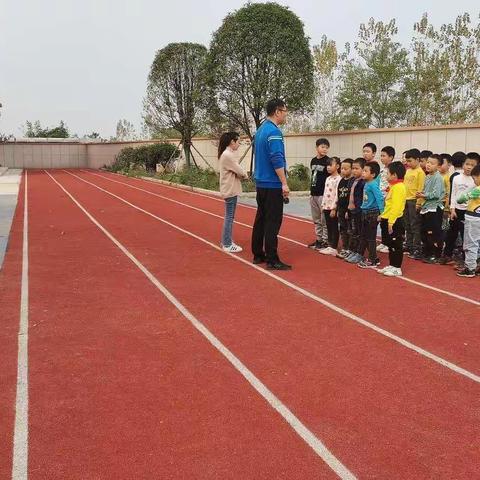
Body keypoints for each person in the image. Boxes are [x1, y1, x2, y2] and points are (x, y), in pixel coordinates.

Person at [251, 98, 291, 270]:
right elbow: (276, 158)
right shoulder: (274, 132)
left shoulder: (260, 130)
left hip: (261, 183)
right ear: (277, 111)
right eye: (285, 111)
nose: (286, 114)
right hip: (272, 183)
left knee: (261, 218)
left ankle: (257, 254)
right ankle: (272, 258)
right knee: (272, 221)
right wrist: (284, 183)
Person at [439, 153, 476, 265]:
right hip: (456, 210)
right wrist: (452, 208)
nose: (469, 167)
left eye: (472, 165)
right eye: (467, 164)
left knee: (466, 236)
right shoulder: (456, 178)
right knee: (451, 233)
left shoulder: (475, 180)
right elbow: (453, 194)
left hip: (469, 211)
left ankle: (466, 259)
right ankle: (447, 255)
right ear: (463, 164)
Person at [218, 131, 248, 253]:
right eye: (238, 142)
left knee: (229, 216)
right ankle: (227, 243)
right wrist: (245, 175)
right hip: (230, 189)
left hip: (229, 188)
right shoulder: (228, 155)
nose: (239, 144)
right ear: (232, 142)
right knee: (229, 217)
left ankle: (226, 241)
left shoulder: (226, 154)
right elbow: (240, 171)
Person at [378, 162, 407, 277]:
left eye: (388, 174)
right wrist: (383, 215)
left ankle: (396, 267)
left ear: (394, 175)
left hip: (395, 220)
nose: (386, 176)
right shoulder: (393, 186)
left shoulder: (399, 187)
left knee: (396, 244)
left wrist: (391, 221)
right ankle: (392, 264)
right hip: (388, 218)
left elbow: (396, 206)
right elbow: (388, 205)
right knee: (391, 245)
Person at [354, 161, 385, 268]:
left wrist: (382, 213)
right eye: (363, 171)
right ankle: (360, 254)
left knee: (371, 238)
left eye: (366, 171)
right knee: (364, 235)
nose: (363, 173)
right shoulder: (367, 183)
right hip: (365, 212)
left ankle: (373, 259)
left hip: (372, 213)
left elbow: (380, 198)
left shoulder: (373, 185)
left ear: (373, 175)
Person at [416, 154, 445, 263]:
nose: (428, 165)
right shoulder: (427, 176)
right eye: (428, 162)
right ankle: (427, 252)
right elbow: (427, 192)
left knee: (433, 232)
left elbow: (436, 194)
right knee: (424, 231)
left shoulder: (438, 178)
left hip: (434, 208)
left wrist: (423, 195)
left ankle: (435, 254)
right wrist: (421, 193)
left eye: (432, 163)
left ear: (438, 167)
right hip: (426, 207)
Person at [456, 164, 480, 277]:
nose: (473, 181)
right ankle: (477, 265)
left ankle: (470, 268)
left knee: (471, 243)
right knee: (478, 243)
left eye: (474, 178)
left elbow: (460, 199)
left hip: (473, 218)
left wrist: (469, 191)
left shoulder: (477, 190)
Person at [307, 138, 330, 250]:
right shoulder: (313, 161)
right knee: (316, 219)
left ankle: (326, 240)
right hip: (313, 193)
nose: (324, 149)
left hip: (323, 194)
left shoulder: (328, 161)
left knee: (323, 219)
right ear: (316, 147)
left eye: (326, 147)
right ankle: (319, 239)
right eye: (322, 147)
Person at [403, 148, 425, 259]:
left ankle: (417, 248)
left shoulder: (420, 172)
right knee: (407, 224)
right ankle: (409, 244)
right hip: (405, 200)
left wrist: (419, 203)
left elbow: (421, 188)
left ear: (417, 159)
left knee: (414, 225)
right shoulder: (408, 170)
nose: (408, 163)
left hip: (414, 201)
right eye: (407, 161)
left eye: (410, 160)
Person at [344, 158, 366, 263]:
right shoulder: (352, 180)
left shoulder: (363, 182)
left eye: (357, 168)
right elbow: (350, 196)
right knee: (353, 231)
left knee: (360, 232)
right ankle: (353, 250)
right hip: (351, 210)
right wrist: (348, 210)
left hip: (360, 210)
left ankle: (359, 253)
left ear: (363, 169)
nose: (354, 171)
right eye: (353, 168)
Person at [319, 157, 342, 256]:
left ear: (337, 166)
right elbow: (325, 192)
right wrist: (323, 204)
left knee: (334, 226)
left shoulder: (339, 179)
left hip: (333, 207)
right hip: (326, 206)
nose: (328, 167)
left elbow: (337, 194)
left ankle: (334, 247)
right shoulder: (328, 178)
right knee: (328, 226)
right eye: (327, 165)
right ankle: (329, 245)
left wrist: (334, 208)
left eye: (330, 165)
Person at [377, 146, 396, 254]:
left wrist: (387, 195)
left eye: (384, 156)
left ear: (391, 157)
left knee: (388, 221)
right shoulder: (382, 169)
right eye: (381, 155)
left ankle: (389, 243)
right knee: (383, 222)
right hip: (381, 197)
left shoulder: (392, 169)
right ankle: (384, 242)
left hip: (388, 198)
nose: (382, 158)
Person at [336, 158, 353, 259]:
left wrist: (348, 210)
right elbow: (339, 195)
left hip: (349, 209)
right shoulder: (341, 181)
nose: (343, 171)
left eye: (346, 169)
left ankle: (350, 249)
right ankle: (345, 247)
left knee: (349, 229)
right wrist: (338, 209)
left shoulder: (352, 181)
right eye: (342, 168)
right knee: (342, 228)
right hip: (341, 209)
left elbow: (351, 197)